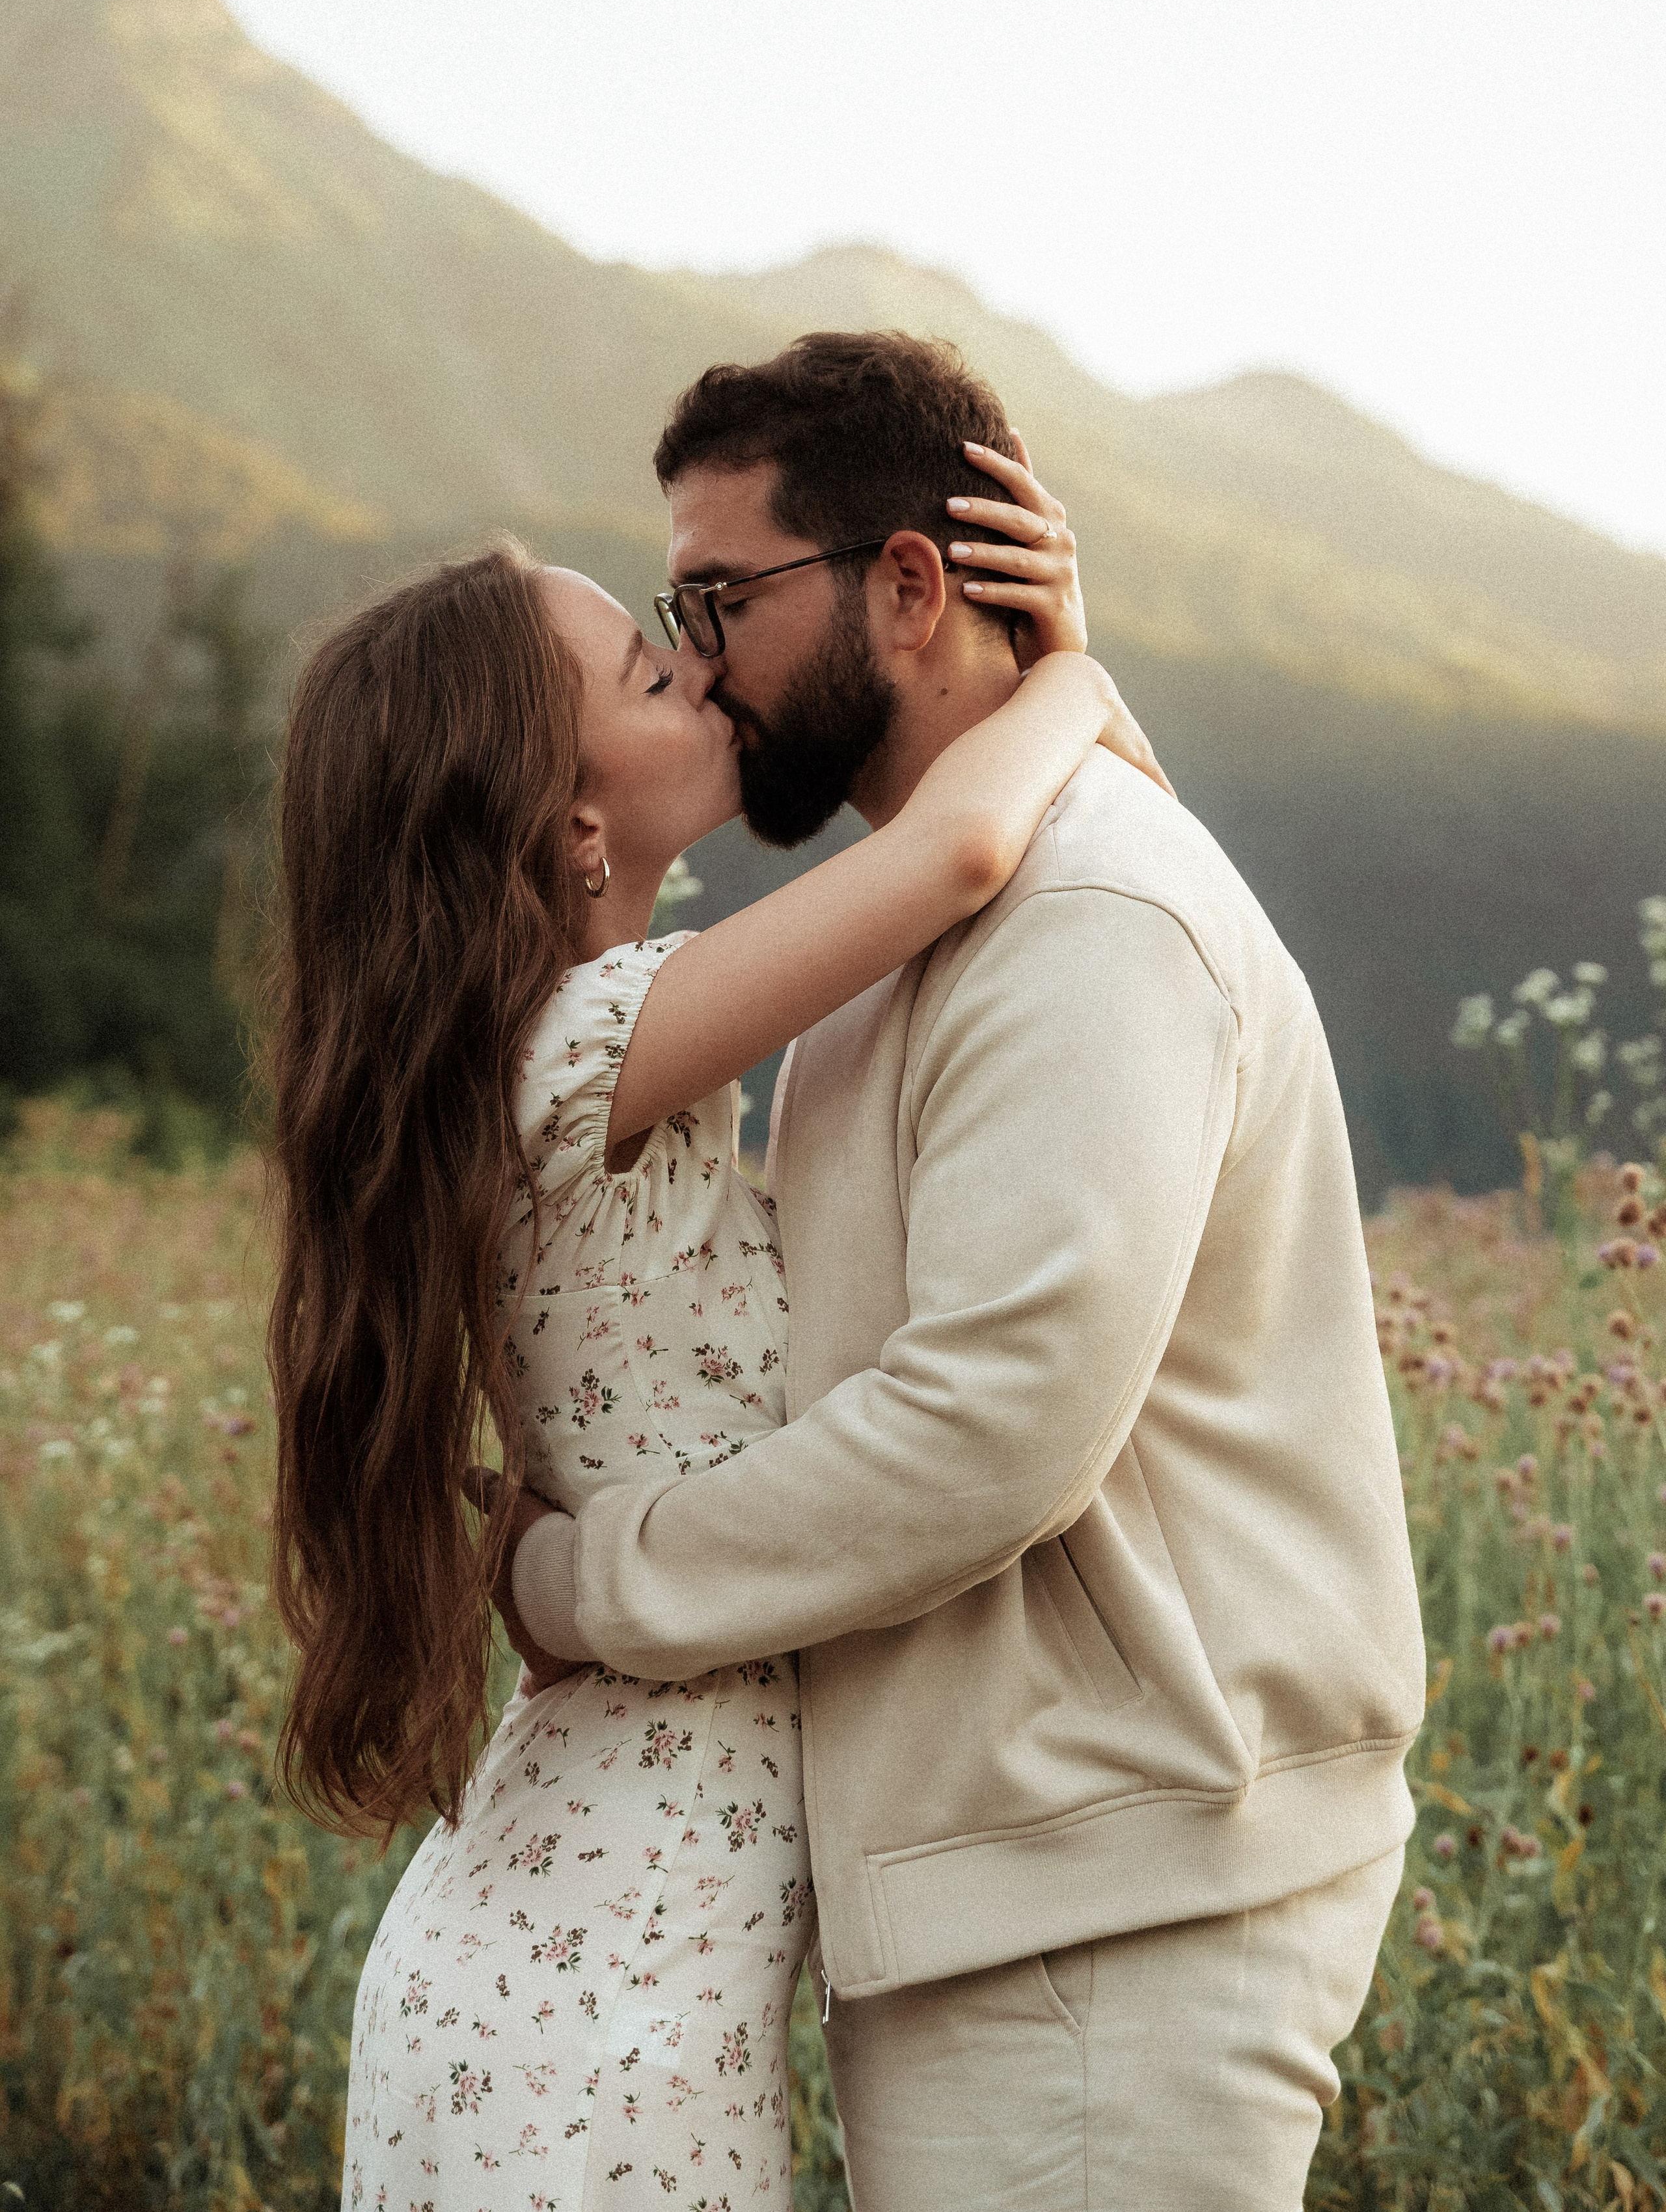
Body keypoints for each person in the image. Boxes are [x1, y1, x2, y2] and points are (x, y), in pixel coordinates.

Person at [491, 333, 1428, 2211]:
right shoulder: (910, 934)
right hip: (1020, 1874)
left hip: (1116, 1894)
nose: (701, 660)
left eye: (721, 597)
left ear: (907, 587)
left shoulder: (1083, 914)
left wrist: (578, 1581)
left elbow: (990, 1428)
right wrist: (1073, 681)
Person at [264, 425, 1168, 2207]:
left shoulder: (563, 1050)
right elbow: (981, 846)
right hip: (600, 2007)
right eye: (643, 662)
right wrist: (1067, 661)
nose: (697, 661)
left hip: (575, 1958)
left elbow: (1097, 857)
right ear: (570, 820)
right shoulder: (583, 1043)